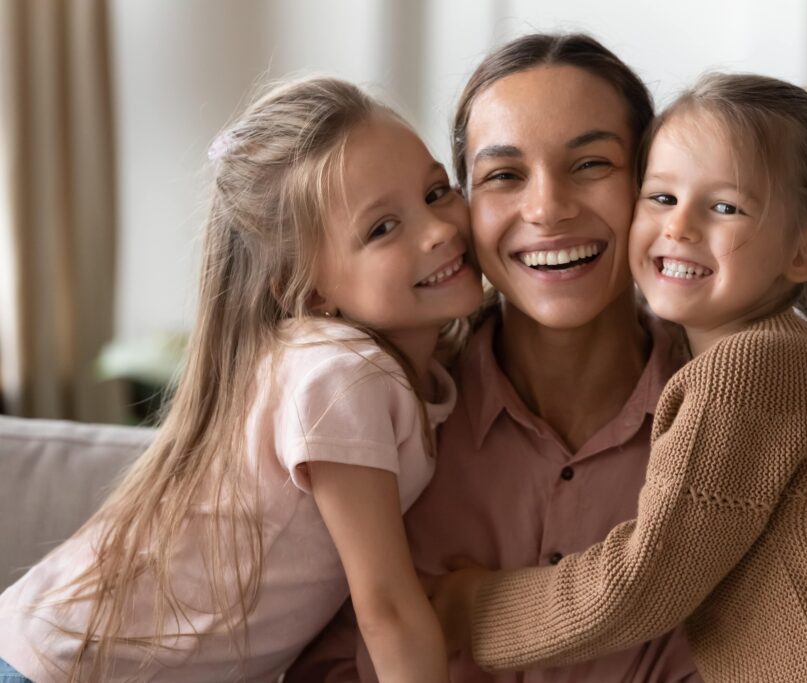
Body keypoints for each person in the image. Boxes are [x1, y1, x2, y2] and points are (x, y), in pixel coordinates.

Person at [428, 73, 807, 682]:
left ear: (806, 253)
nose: (681, 228)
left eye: (724, 207)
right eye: (663, 198)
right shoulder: (772, 360)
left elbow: (643, 581)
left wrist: (471, 606)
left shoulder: (751, 370)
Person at [0, 76, 483, 683]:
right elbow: (386, 608)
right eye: (382, 228)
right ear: (310, 293)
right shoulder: (342, 376)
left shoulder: (401, 368)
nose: (438, 229)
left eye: (438, 191)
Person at [287, 34, 702, 682]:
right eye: (504, 175)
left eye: (591, 163)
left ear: (651, 184)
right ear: (464, 206)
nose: (548, 208)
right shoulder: (384, 420)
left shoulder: (730, 421)